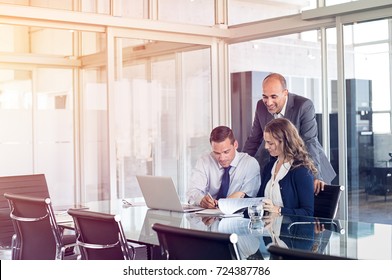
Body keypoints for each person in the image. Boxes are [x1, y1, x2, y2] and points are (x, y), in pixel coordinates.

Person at [242, 72, 336, 194]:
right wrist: (240, 166)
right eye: (265, 96)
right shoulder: (261, 105)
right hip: (277, 166)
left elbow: (309, 141)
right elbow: (254, 139)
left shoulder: (303, 106)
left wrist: (316, 175)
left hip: (305, 164)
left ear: (285, 93)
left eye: (273, 97)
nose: (268, 102)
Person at [187, 126, 261, 209]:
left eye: (226, 152)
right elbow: (192, 191)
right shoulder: (204, 161)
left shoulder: (249, 164)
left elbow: (249, 197)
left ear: (235, 145)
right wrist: (201, 200)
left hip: (237, 217)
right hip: (209, 217)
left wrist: (221, 204)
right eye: (217, 153)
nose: (222, 158)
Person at [258, 118, 316, 216]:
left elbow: (308, 213)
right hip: (268, 229)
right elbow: (259, 199)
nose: (266, 147)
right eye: (266, 142)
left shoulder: (301, 171)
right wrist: (242, 197)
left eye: (270, 143)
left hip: (290, 230)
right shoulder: (269, 167)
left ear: (285, 141)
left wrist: (279, 210)